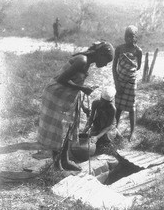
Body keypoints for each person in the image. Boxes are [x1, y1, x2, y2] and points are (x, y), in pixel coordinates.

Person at [37, 41, 114, 171]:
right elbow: (61, 79)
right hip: (57, 96)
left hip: (66, 97)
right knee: (59, 130)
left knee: (69, 127)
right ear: (100, 54)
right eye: (107, 61)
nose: (106, 64)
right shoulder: (83, 60)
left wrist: (82, 95)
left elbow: (73, 79)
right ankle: (57, 166)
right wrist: (83, 88)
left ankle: (65, 160)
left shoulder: (87, 62)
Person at [112, 25, 142, 141]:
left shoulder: (138, 51)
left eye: (132, 36)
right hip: (120, 81)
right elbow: (114, 67)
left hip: (131, 82)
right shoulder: (119, 49)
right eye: (127, 36)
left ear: (136, 37)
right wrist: (117, 83)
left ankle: (132, 132)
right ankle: (115, 129)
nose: (129, 38)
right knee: (118, 106)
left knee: (132, 107)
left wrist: (129, 72)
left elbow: (138, 66)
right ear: (124, 37)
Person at [82, 86, 117, 155]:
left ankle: (115, 133)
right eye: (103, 101)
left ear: (111, 101)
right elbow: (91, 118)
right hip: (99, 122)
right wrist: (85, 130)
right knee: (89, 138)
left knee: (106, 138)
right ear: (100, 97)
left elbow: (109, 126)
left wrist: (97, 137)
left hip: (109, 126)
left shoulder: (112, 109)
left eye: (107, 102)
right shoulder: (95, 103)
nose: (104, 104)